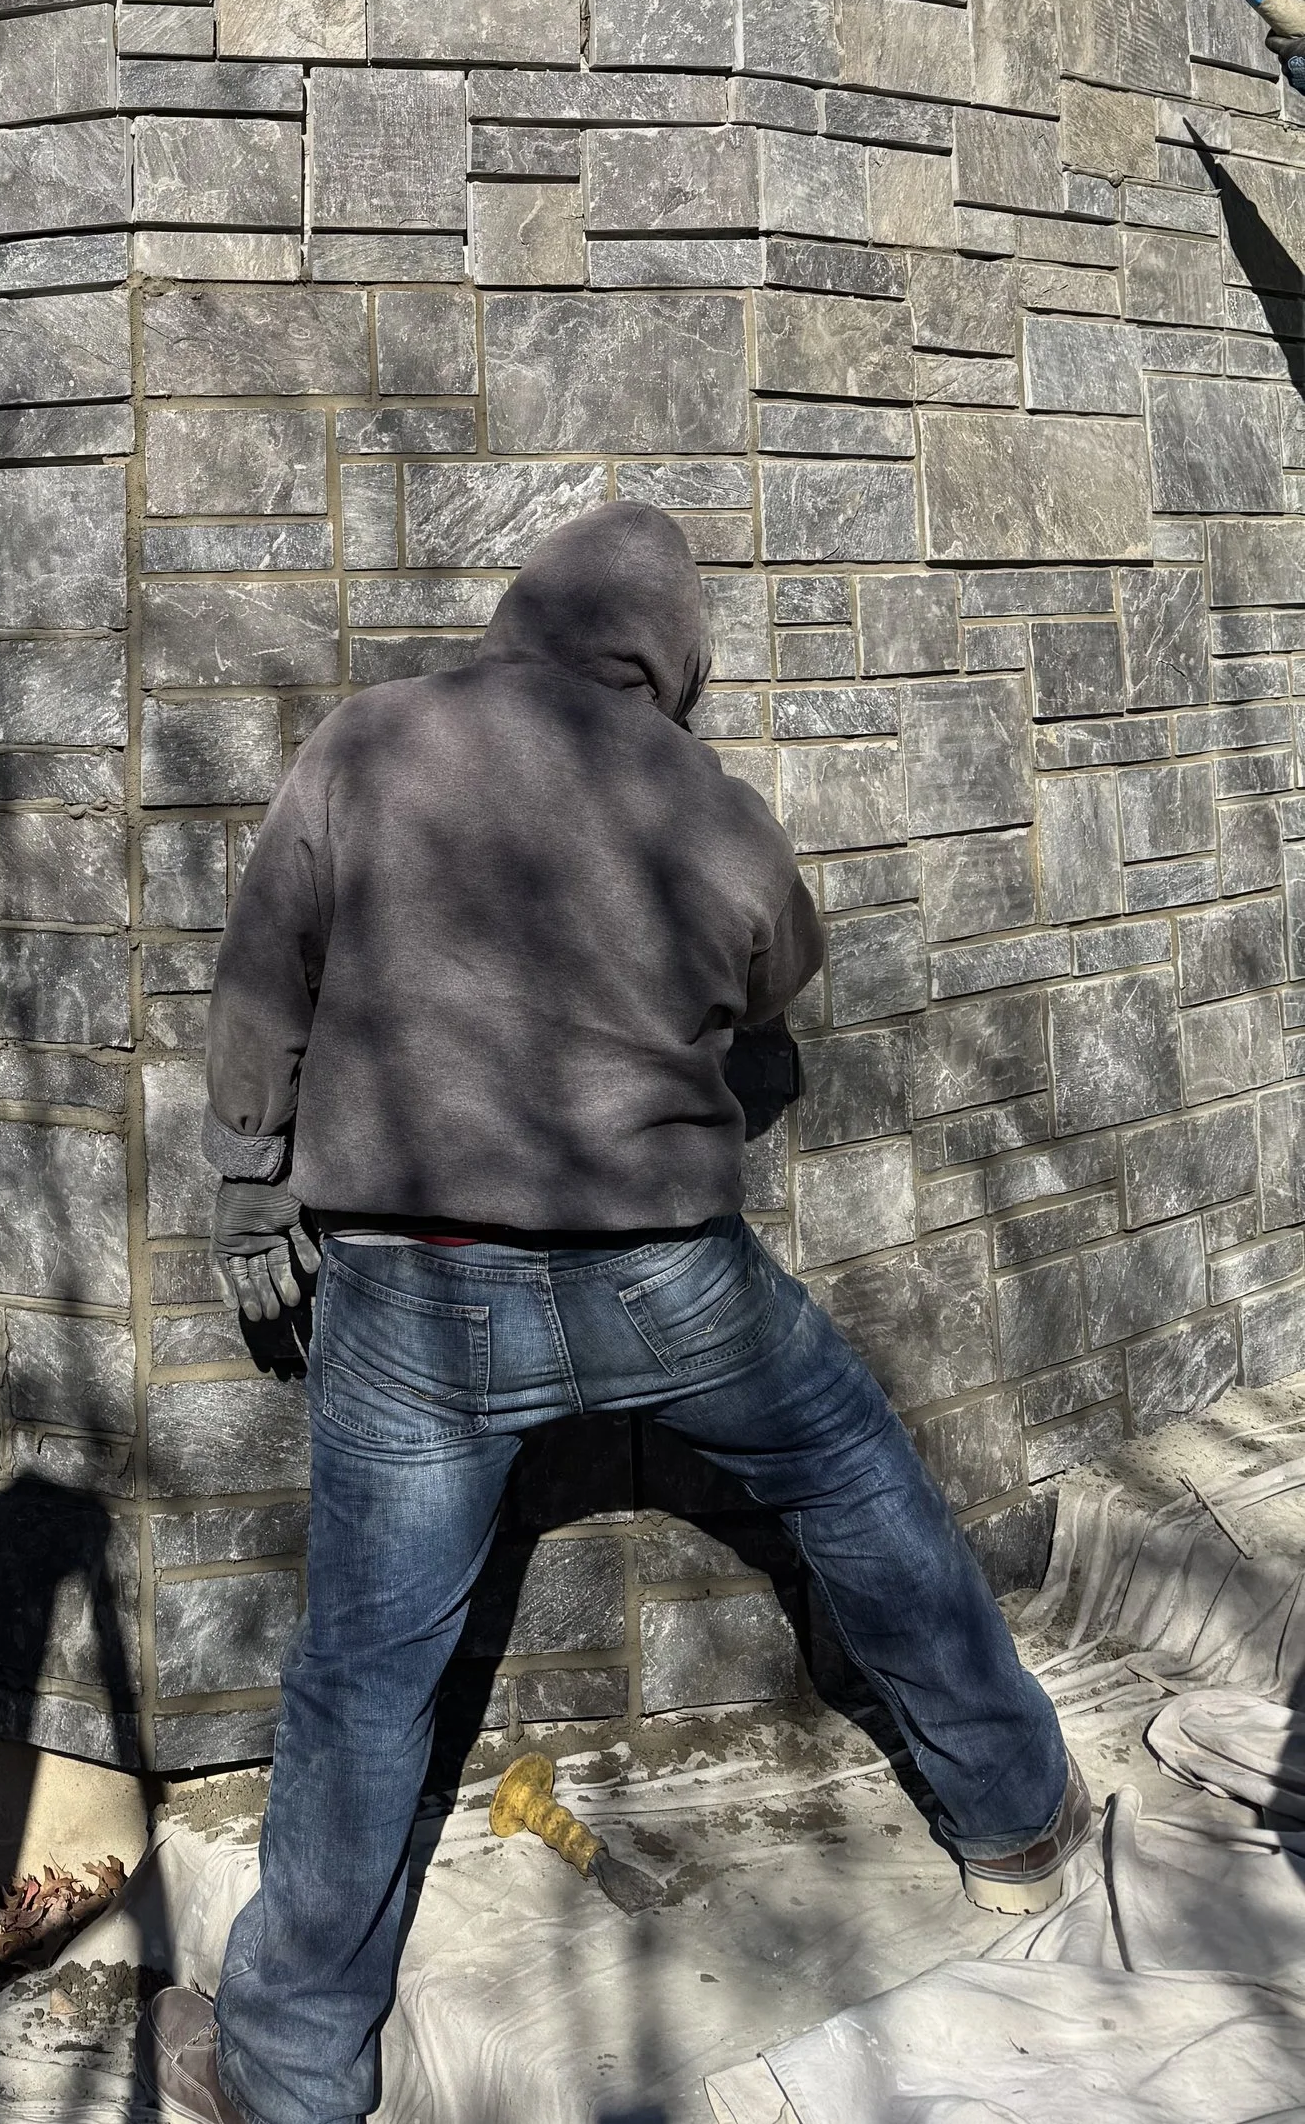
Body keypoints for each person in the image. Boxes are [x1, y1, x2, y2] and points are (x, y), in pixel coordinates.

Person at [153, 503, 1087, 2124]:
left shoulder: (374, 739)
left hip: (417, 1288)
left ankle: (289, 2066)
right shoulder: (697, 799)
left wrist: (250, 1182)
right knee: (865, 1488)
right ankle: (1014, 1817)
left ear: (522, 610)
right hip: (667, 1271)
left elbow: (262, 977)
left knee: (367, 1671)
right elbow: (779, 956)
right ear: (670, 656)